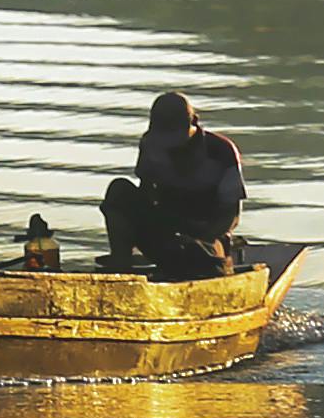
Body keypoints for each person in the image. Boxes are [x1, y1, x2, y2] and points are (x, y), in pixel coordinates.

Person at [101, 90, 248, 278]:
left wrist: (198, 234)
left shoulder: (222, 152)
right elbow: (145, 193)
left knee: (197, 256)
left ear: (194, 122)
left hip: (206, 237)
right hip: (166, 226)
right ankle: (121, 268)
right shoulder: (151, 145)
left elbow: (230, 217)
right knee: (119, 190)